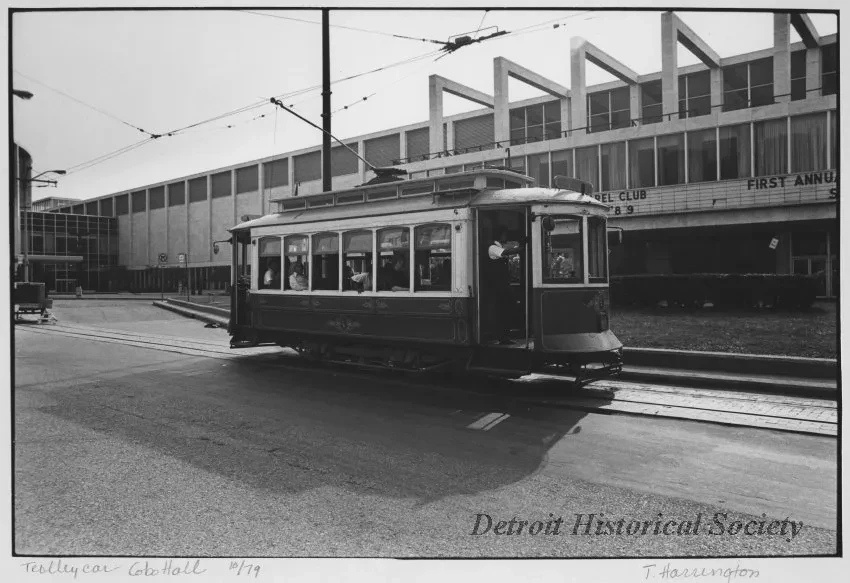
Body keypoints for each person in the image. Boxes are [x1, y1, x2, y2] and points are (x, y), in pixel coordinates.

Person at [486, 228, 522, 345]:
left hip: (502, 286)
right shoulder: (492, 248)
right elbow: (505, 252)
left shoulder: (498, 246)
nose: (506, 238)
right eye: (504, 235)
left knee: (506, 310)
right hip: (498, 288)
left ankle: (504, 336)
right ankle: (502, 337)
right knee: (502, 311)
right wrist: (522, 248)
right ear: (500, 236)